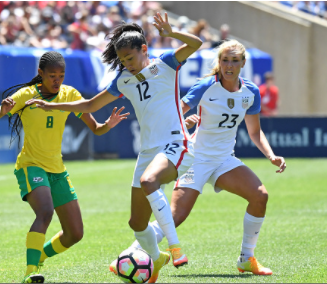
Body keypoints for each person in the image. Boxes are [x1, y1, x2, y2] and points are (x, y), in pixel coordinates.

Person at [24, 12, 202, 283]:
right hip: (148, 152)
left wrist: (171, 32)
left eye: (130, 58)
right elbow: (89, 105)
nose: (127, 65)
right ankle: (158, 259)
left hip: (177, 144)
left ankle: (175, 249)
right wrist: (52, 105)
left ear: (144, 49)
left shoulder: (166, 63)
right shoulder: (123, 80)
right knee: (136, 223)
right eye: (122, 61)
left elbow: (196, 44)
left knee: (149, 181)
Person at [113, 39, 287, 276]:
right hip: (195, 158)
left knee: (260, 196)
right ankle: (129, 254)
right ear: (219, 62)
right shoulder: (206, 85)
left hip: (225, 160)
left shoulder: (251, 92)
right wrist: (183, 124)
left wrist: (271, 155)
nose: (229, 65)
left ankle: (247, 258)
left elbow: (254, 132)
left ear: (242, 63)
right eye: (225, 60)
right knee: (175, 217)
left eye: (235, 60)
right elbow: (176, 110)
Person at [0, 51, 129, 283]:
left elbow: (96, 129)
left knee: (75, 234)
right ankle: (30, 272)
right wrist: (0, 112)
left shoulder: (70, 94)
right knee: (45, 212)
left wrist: (108, 125)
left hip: (57, 169)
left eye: (61, 75)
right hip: (31, 165)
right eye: (52, 75)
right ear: (40, 74)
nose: (57, 80)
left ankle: (38, 255)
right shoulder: (26, 96)